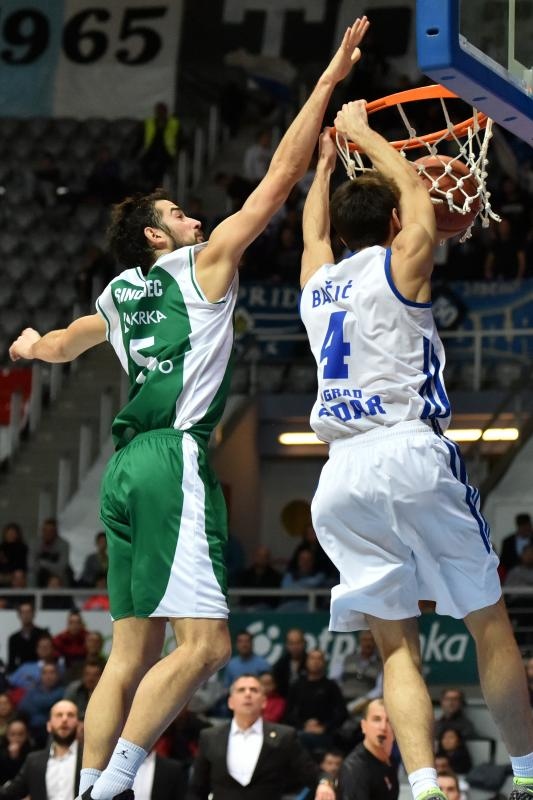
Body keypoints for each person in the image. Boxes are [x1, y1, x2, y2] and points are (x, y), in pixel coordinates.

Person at [8, 17, 369, 800]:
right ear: (154, 235)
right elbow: (278, 176)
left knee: (128, 654)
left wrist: (30, 344)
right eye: (178, 213)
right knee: (205, 647)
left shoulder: (114, 294)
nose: (196, 218)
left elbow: (61, 346)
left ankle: (84, 792)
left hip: (122, 472)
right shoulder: (197, 268)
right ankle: (112, 788)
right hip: (172, 456)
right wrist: (327, 82)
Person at [298, 98, 533, 800]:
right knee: (486, 616)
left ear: (340, 231)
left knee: (395, 641)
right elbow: (417, 200)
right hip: (405, 448)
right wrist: (364, 133)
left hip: (337, 475)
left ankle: (424, 783)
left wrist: (321, 165)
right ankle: (526, 775)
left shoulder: (316, 283)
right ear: (396, 222)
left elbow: (312, 231)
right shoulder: (403, 261)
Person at [186, 674, 333, 800]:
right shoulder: (210, 737)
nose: (248, 694)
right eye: (241, 690)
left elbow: (314, 774)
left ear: (264, 702)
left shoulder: (284, 736)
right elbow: (197, 789)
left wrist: (324, 784)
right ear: (230, 702)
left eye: (254, 690)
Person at [0, 700, 82, 799]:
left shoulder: (90, 759)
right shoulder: (33, 761)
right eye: (59, 715)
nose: (64, 719)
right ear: (49, 726)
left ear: (78, 724)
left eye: (70, 715)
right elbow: (9, 792)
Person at [284, 649, 347, 752]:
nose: (315, 661)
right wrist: (304, 725)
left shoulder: (331, 686)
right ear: (306, 661)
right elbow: (287, 713)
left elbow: (343, 713)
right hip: (300, 730)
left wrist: (324, 727)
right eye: (312, 658)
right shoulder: (297, 685)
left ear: (324, 662)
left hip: (325, 733)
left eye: (319, 658)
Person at [337, 698, 398, 800]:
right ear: (364, 726)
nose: (383, 727)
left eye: (389, 721)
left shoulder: (390, 759)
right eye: (377, 719)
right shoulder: (355, 769)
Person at [7, 603, 48, 673]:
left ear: (33, 614)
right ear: (19, 615)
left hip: (41, 672)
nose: (26, 615)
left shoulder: (43, 634)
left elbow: (48, 657)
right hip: (22, 673)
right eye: (23, 612)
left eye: (28, 612)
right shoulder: (13, 638)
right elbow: (11, 663)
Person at [30, 518, 72, 588]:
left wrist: (43, 563)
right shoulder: (35, 543)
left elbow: (61, 567)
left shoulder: (64, 544)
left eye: (51, 531)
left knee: (64, 576)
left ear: (55, 532)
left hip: (57, 574)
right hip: (39, 573)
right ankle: (32, 597)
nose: (47, 533)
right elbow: (31, 565)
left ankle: (63, 598)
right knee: (31, 575)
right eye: (45, 530)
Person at [272, 627, 308, 698]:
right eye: (291, 643)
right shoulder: (280, 665)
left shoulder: (311, 662)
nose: (295, 647)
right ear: (286, 645)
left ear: (304, 643)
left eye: (298, 643)